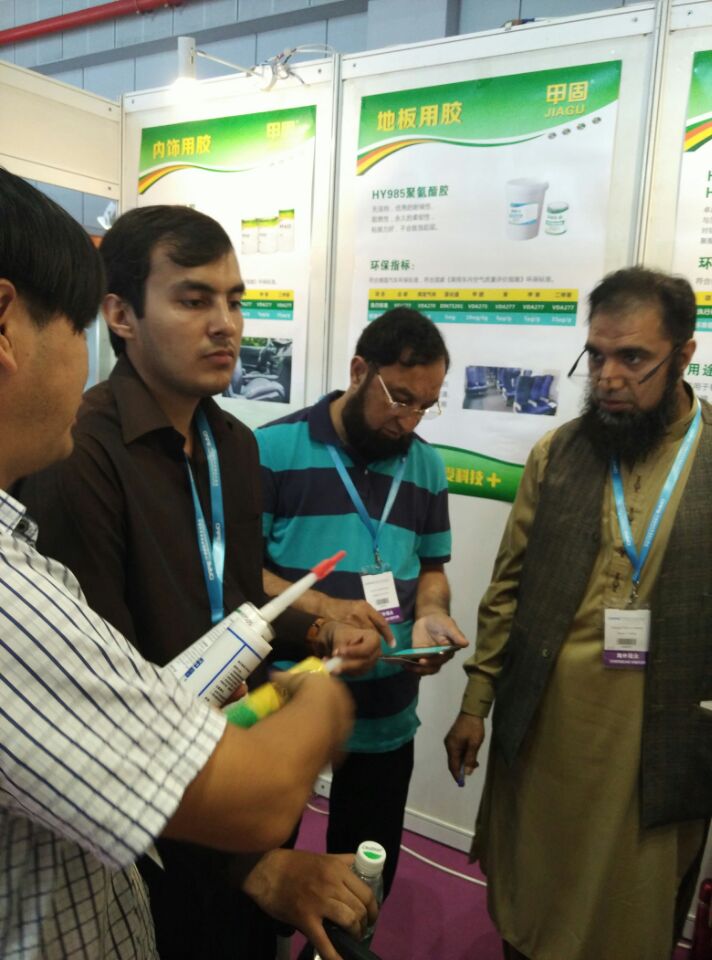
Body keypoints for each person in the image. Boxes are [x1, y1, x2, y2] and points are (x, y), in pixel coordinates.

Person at [0, 169, 373, 960]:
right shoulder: (76, 454)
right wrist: (320, 705)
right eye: (194, 300)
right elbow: (105, 705)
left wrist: (316, 637)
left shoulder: (232, 444)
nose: (225, 325)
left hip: (228, 773)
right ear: (120, 316)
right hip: (159, 826)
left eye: (235, 301)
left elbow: (234, 599)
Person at [444, 267, 712, 960]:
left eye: (633, 358)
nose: (609, 378)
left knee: (630, 914)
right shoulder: (559, 453)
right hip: (546, 732)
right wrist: (476, 703)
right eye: (596, 356)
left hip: (656, 743)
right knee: (532, 902)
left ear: (684, 354)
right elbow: (505, 590)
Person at [257, 307, 469, 914]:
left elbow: (431, 568)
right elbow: (243, 575)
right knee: (265, 863)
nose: (409, 420)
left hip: (386, 707)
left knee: (364, 879)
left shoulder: (426, 464)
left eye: (425, 405)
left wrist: (431, 615)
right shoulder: (272, 448)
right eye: (399, 398)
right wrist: (326, 612)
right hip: (287, 696)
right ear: (357, 371)